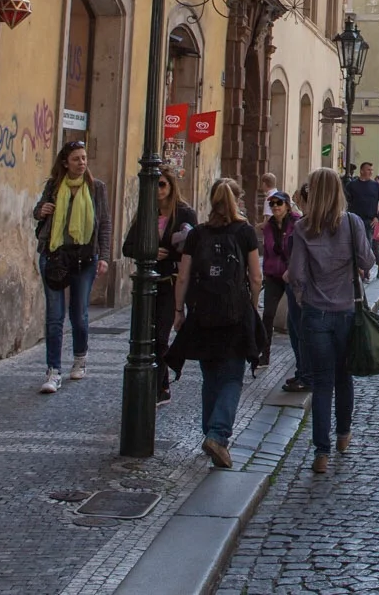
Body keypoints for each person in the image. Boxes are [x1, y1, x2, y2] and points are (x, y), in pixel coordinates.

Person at [167, 179, 263, 469]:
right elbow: (256, 277)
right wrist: (252, 304)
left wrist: (178, 310)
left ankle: (210, 429)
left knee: (210, 376)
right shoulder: (245, 232)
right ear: (236, 201)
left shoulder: (197, 234)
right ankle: (218, 434)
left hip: (203, 312)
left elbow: (183, 276)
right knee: (232, 377)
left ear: (212, 201)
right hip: (234, 313)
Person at [286, 167, 376, 473]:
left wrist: (302, 295)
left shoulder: (303, 228)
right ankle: (344, 434)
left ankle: (320, 453)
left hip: (315, 312)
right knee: (343, 377)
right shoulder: (352, 223)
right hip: (347, 310)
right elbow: (367, 261)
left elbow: (296, 273)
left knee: (322, 383)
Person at [33, 139, 112, 394]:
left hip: (84, 258)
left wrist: (104, 256)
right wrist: (41, 210)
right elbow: (38, 211)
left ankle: (80, 358)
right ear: (65, 162)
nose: (82, 162)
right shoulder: (54, 186)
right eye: (77, 158)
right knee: (55, 317)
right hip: (54, 256)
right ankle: (53, 371)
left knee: (78, 314)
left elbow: (105, 224)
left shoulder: (95, 187)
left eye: (84, 158)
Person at [122, 168, 196, 397]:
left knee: (161, 337)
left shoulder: (184, 214)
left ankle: (158, 388)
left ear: (171, 187)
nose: (158, 190)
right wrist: (150, 252)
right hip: (147, 285)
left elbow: (193, 249)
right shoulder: (147, 213)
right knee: (146, 336)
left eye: (162, 184)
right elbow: (128, 247)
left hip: (171, 282)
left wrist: (171, 254)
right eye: (154, 185)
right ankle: (161, 384)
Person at [263, 190, 308, 391]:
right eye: (272, 204)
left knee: (296, 324)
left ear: (287, 205)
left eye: (278, 203)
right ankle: (264, 353)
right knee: (268, 313)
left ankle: (303, 370)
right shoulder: (268, 227)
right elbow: (267, 250)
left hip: (291, 277)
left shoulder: (298, 223)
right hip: (274, 275)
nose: (275, 207)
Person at [346, 161, 379, 259]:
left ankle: (366, 271)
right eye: (368, 170)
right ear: (362, 171)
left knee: (367, 246)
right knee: (353, 245)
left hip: (369, 221)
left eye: (372, 170)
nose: (371, 172)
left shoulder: (376, 186)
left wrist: (378, 218)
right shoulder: (352, 185)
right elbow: (345, 200)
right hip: (354, 220)